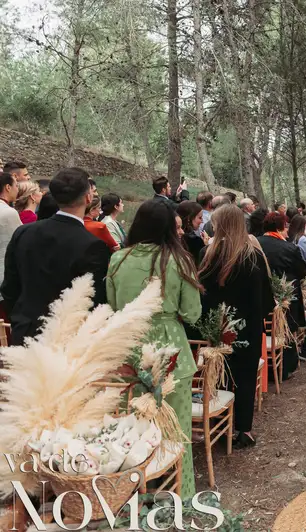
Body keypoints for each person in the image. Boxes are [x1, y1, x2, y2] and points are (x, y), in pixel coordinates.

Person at [106, 199, 202, 497]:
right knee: (177, 431)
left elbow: (112, 305)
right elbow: (192, 313)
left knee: (132, 433)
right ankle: (180, 496)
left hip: (129, 350)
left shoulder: (118, 260)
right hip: (171, 351)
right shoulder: (179, 259)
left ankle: (133, 496)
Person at [2, 168, 110, 345]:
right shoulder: (92, 245)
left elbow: (9, 287)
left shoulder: (24, 232)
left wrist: (20, 318)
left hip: (25, 331)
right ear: (88, 198)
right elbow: (94, 300)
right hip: (66, 338)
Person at [198, 205, 275, 448]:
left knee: (219, 372)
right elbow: (266, 299)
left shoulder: (207, 254)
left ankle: (219, 420)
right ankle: (243, 429)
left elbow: (201, 295)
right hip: (248, 328)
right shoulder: (253, 257)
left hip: (216, 327)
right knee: (245, 376)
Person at [257, 211, 306, 367]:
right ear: (280, 227)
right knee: (287, 330)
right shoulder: (289, 248)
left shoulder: (255, 243)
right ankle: (286, 367)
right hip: (286, 299)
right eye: (286, 226)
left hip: (262, 296)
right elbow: (302, 272)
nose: (288, 229)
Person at [0, 172, 20, 322]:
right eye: (16, 185)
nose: (17, 189)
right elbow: (19, 244)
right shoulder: (8, 213)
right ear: (7, 187)